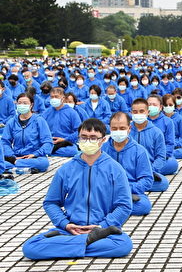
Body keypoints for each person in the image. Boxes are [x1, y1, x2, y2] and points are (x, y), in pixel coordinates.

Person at [22, 118, 133, 260]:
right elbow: (50, 202)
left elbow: (124, 206)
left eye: (93, 138)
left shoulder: (115, 169)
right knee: (30, 247)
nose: (88, 141)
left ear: (103, 140)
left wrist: (102, 226)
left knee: (124, 244)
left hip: (102, 231)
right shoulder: (66, 169)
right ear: (78, 139)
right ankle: (86, 243)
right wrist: (65, 224)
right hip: (71, 230)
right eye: (84, 137)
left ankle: (64, 246)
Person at [103, 112, 153, 216]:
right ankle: (118, 207)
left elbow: (147, 180)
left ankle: (109, 207)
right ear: (110, 129)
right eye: (114, 129)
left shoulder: (139, 151)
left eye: (122, 128)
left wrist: (126, 188)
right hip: (106, 191)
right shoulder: (102, 149)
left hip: (130, 191)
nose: (118, 131)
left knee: (144, 206)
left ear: (129, 129)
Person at [2, 93, 53, 172]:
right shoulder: (12, 122)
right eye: (19, 103)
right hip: (16, 156)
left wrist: (35, 154)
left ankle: (14, 166)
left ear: (31, 105)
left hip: (34, 156)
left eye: (25, 103)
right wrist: (11, 156)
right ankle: (25, 167)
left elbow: (48, 142)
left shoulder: (39, 120)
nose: (22, 105)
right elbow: (5, 141)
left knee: (44, 163)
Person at [130, 98, 169, 192]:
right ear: (131, 113)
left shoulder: (156, 132)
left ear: (148, 112)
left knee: (163, 183)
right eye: (135, 112)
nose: (138, 114)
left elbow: (160, 157)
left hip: (148, 170)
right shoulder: (127, 131)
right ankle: (132, 187)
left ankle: (128, 188)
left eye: (141, 111)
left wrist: (149, 170)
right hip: (129, 170)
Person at [42, 87, 82, 157]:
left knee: (72, 151)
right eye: (52, 97)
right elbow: (39, 128)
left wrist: (64, 139)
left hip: (65, 143)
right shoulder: (46, 112)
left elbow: (79, 131)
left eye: (56, 97)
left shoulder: (72, 113)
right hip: (49, 142)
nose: (54, 99)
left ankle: (49, 151)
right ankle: (49, 150)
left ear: (63, 98)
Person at [146, 95, 178, 175]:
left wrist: (160, 157)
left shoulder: (168, 122)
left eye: (154, 105)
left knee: (172, 163)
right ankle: (150, 172)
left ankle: (149, 171)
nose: (151, 107)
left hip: (161, 156)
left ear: (160, 107)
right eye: (149, 105)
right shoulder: (142, 121)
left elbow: (170, 143)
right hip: (144, 157)